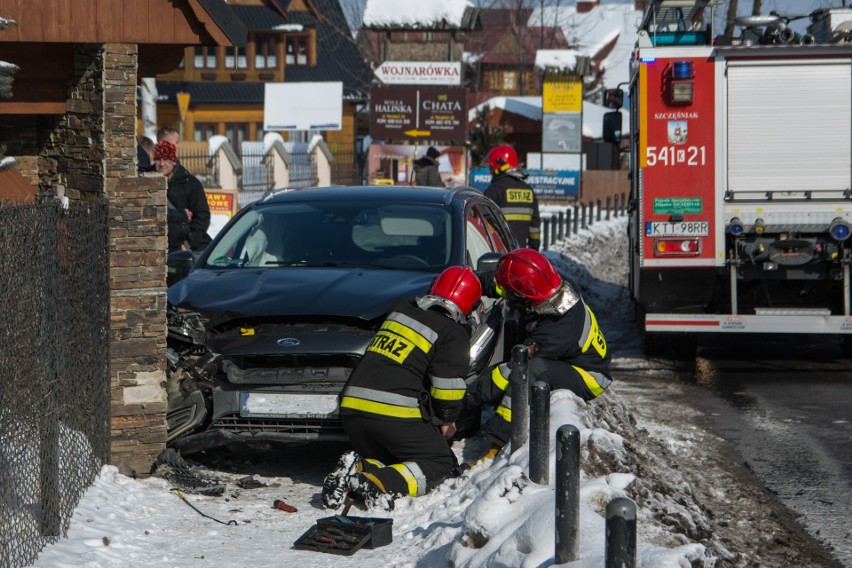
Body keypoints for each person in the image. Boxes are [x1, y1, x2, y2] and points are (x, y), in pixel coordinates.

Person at [322, 266, 483, 511]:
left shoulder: (401, 310)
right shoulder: (453, 332)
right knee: (441, 464)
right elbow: (447, 389)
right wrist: (448, 420)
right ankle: (376, 482)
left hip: (353, 410)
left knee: (397, 459)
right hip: (392, 414)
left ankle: (359, 467)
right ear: (469, 306)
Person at [464, 248, 612, 457]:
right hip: (567, 356)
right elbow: (504, 287)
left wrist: (468, 397)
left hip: (589, 376)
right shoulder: (550, 285)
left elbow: (513, 369)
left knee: (529, 369)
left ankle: (499, 439)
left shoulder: (558, 330)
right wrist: (470, 283)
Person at [153, 140, 212, 253]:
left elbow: (202, 216)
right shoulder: (146, 182)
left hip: (182, 247)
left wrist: (189, 244)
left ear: (173, 161)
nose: (161, 164)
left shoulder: (190, 184)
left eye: (166, 159)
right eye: (158, 159)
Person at [482, 145, 541, 250]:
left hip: (498, 253)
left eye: (491, 167)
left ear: (501, 166)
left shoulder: (495, 190)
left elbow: (481, 220)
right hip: (520, 253)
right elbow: (534, 226)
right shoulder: (528, 190)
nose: (489, 171)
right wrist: (534, 247)